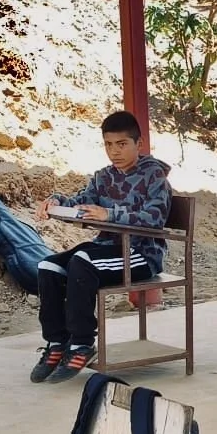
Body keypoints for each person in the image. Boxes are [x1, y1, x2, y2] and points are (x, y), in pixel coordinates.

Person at [32, 110, 172, 385]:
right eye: (108, 144)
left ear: (139, 144)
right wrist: (55, 202)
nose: (114, 152)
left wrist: (110, 215)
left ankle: (82, 343)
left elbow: (155, 219)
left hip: (141, 256)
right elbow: (80, 201)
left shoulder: (154, 176)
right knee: (48, 266)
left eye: (122, 144)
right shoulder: (104, 177)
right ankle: (57, 342)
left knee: (81, 261)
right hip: (107, 249)